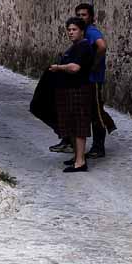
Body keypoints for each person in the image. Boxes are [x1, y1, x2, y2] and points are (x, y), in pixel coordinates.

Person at [49, 3, 116, 158]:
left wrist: (93, 65)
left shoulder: (91, 32)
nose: (81, 17)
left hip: (93, 80)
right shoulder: (82, 33)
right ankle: (69, 141)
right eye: (78, 15)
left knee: (96, 113)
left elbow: (102, 46)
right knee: (77, 111)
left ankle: (98, 147)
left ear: (91, 17)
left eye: (84, 15)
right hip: (83, 82)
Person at [48, 17, 93, 173]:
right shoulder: (75, 47)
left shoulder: (84, 47)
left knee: (79, 126)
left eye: (74, 29)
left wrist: (58, 67)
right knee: (73, 126)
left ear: (81, 31)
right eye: (69, 30)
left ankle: (80, 162)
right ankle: (77, 158)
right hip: (70, 90)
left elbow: (75, 68)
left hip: (78, 90)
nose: (71, 32)